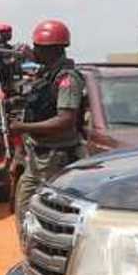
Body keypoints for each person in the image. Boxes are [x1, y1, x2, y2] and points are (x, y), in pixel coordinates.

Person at [10, 20, 85, 223]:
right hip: (36, 157)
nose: (34, 51)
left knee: (54, 216)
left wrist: (22, 127)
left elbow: (65, 120)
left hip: (56, 158)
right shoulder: (46, 76)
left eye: (38, 47)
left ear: (52, 49)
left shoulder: (67, 79)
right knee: (24, 210)